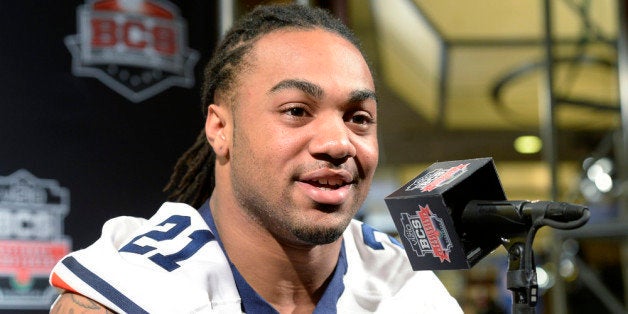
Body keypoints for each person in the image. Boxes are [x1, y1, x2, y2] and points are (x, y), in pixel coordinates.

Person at [49, 3, 462, 313]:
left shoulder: (407, 289)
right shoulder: (129, 290)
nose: (339, 144)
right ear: (220, 129)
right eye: (296, 111)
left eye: (359, 117)